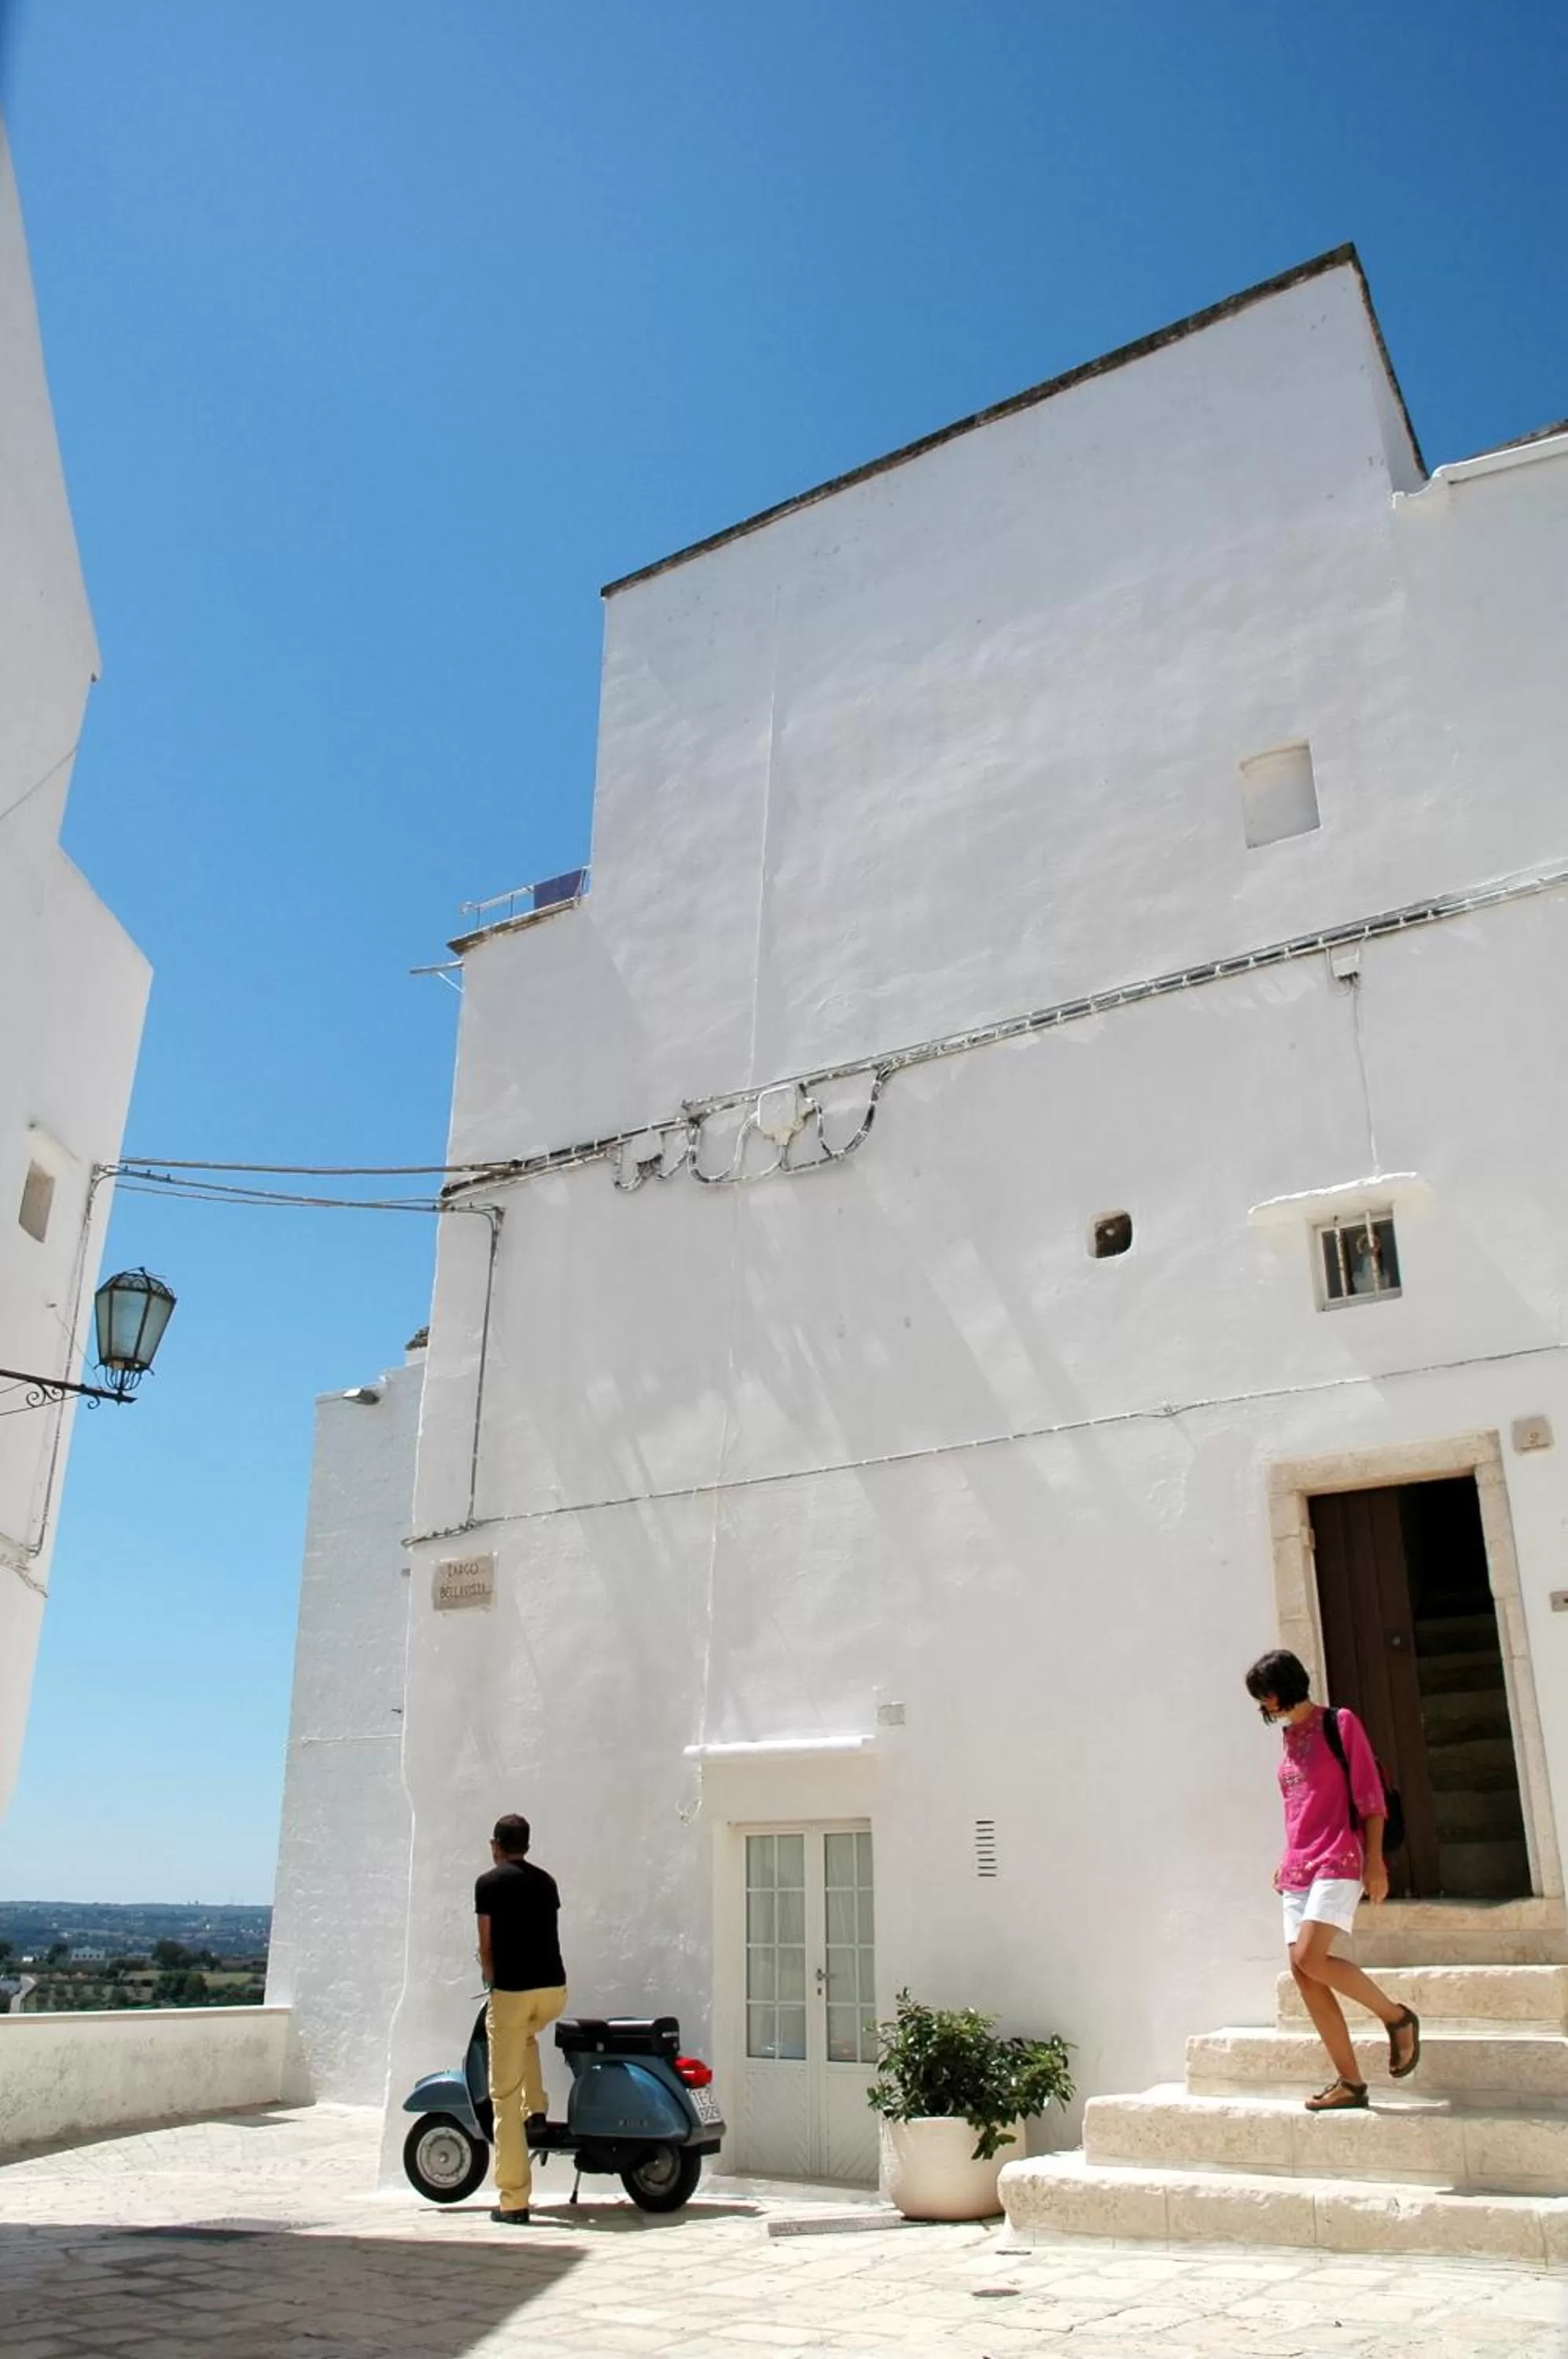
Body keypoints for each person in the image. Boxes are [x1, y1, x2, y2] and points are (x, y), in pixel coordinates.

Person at [1245, 1649, 1421, 2111]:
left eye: (1263, 1696)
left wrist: (1375, 1860)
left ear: (1281, 1689)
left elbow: (1370, 1794)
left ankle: (1397, 2018)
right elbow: (1298, 1808)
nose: (1262, 1706)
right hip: (1299, 1865)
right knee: (1303, 1975)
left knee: (1310, 1956)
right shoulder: (1288, 1739)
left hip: (1340, 1855)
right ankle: (1351, 2083)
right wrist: (1287, 1858)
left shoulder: (1340, 1724)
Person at [475, 1812, 568, 2224]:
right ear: (526, 1844)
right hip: (554, 1992)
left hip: (513, 1994)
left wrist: (489, 1979)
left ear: (497, 1844)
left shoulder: (488, 1884)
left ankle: (513, 2199)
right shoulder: (546, 1882)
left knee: (503, 2096)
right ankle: (539, 2112)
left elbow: (486, 1946)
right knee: (526, 2035)